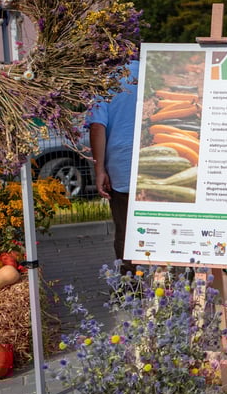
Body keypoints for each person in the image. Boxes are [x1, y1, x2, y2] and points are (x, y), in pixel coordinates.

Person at [86, 59, 140, 275]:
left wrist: (100, 170)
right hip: (161, 164)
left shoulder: (105, 78)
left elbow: (98, 125)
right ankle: (171, 284)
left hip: (122, 166)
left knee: (126, 230)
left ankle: (130, 285)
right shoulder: (158, 70)